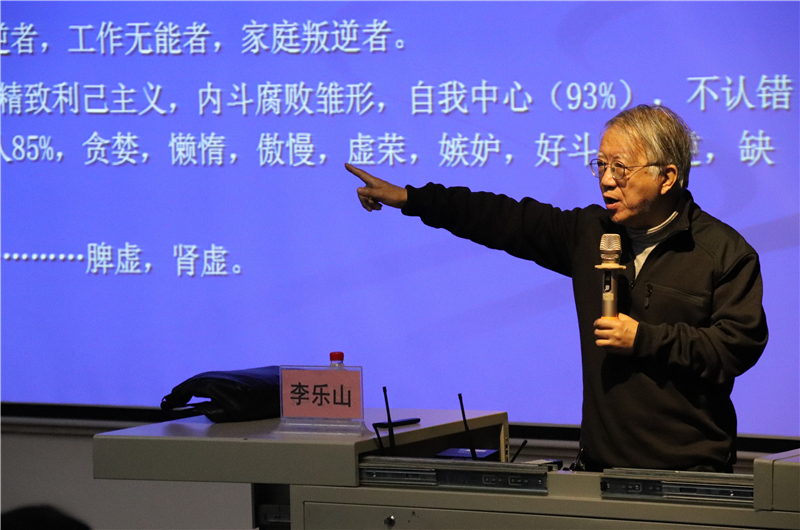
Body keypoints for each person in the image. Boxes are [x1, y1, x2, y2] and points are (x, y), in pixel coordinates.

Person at [344, 104, 768, 472]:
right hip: (600, 470)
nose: (606, 180)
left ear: (667, 176)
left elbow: (736, 347)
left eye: (620, 168)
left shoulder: (722, 252)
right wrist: (412, 199)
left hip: (690, 474)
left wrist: (645, 339)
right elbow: (499, 217)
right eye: (600, 166)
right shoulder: (591, 233)